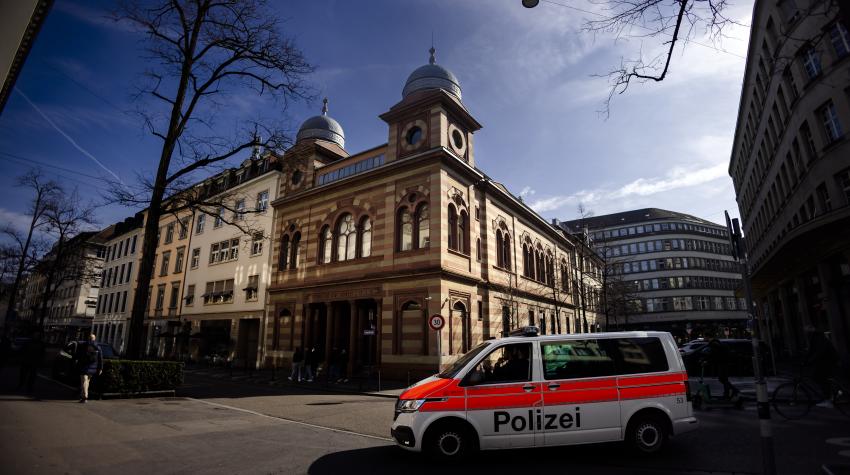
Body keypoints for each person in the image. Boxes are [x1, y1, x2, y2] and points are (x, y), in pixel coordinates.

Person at [804, 326, 839, 406]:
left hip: (828, 360)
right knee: (819, 377)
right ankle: (832, 393)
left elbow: (819, 352)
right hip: (825, 360)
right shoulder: (814, 338)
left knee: (819, 377)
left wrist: (810, 361)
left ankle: (829, 399)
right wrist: (805, 361)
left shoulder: (818, 338)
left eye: (806, 331)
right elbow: (811, 351)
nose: (805, 333)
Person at [77, 334, 103, 403]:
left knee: (83, 381)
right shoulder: (98, 347)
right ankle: (83, 397)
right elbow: (100, 358)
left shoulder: (84, 345)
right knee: (87, 381)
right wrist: (100, 368)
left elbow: (79, 355)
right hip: (93, 367)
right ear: (94, 339)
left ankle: (85, 396)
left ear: (88, 338)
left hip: (84, 366)